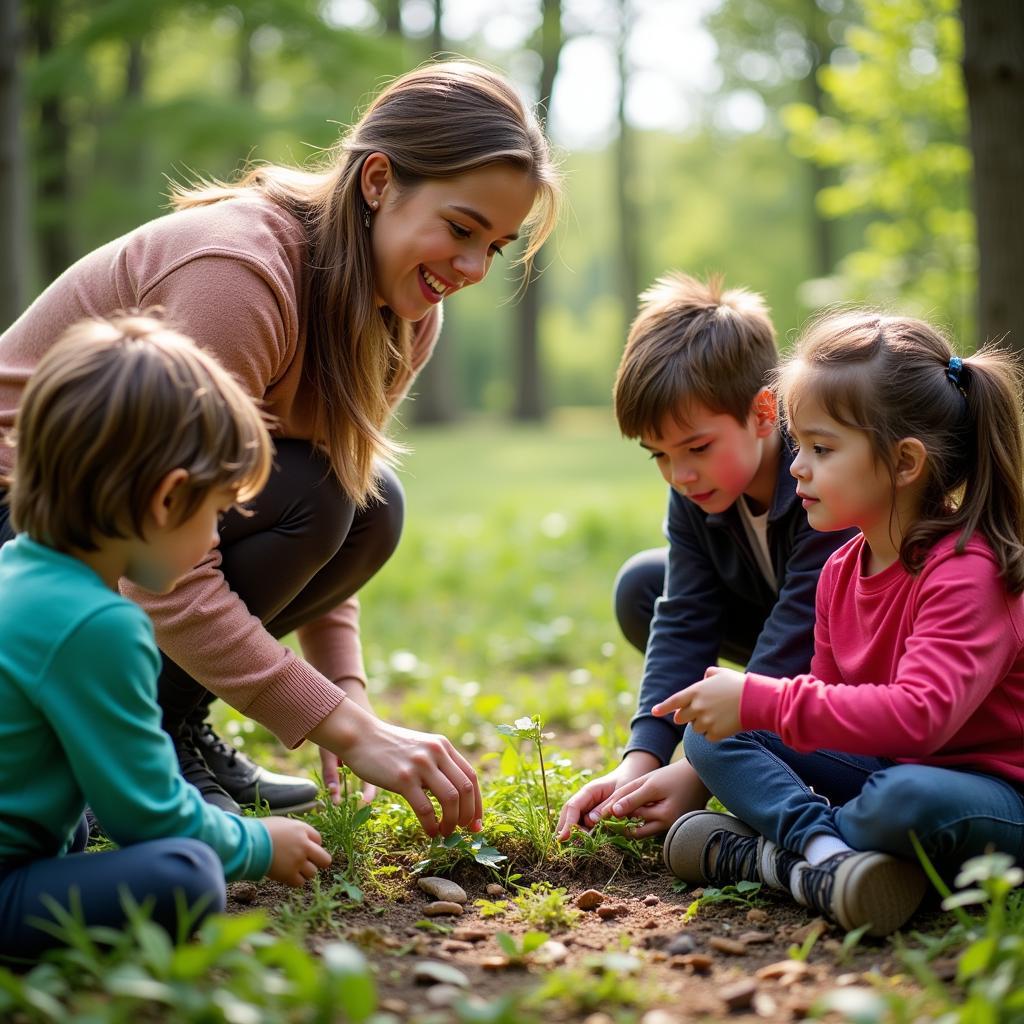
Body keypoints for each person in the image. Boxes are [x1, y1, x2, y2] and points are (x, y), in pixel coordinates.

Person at [0, 61, 561, 835]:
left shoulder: (403, 312)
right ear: (376, 181)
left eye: (495, 246)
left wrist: (348, 690)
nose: (470, 269)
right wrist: (343, 728)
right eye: (461, 228)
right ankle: (133, 751)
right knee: (320, 494)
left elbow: (338, 506)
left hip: (109, 530)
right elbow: (162, 559)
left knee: (369, 505)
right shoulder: (240, 274)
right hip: (27, 522)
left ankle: (172, 722)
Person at [657, 311, 1024, 937]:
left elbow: (920, 718)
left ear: (905, 462)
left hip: (987, 794)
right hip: (883, 768)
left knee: (905, 799)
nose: (797, 467)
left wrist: (764, 699)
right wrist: (752, 714)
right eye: (799, 445)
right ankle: (829, 860)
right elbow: (833, 714)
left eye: (823, 449)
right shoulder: (841, 569)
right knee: (708, 738)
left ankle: (772, 857)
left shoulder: (967, 569)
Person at [0, 316, 333, 962]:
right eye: (215, 513)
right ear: (167, 499)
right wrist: (259, 844)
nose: (214, 538)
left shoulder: (17, 568)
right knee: (185, 873)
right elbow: (148, 820)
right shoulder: (99, 624)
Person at [556, 273, 854, 841]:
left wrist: (699, 769)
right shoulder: (694, 490)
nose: (680, 475)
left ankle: (769, 744)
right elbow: (685, 612)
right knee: (645, 586)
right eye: (659, 457)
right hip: (777, 620)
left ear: (764, 413)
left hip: (844, 648)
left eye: (696, 448)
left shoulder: (823, 477)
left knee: (792, 659)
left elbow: (804, 627)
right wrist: (642, 755)